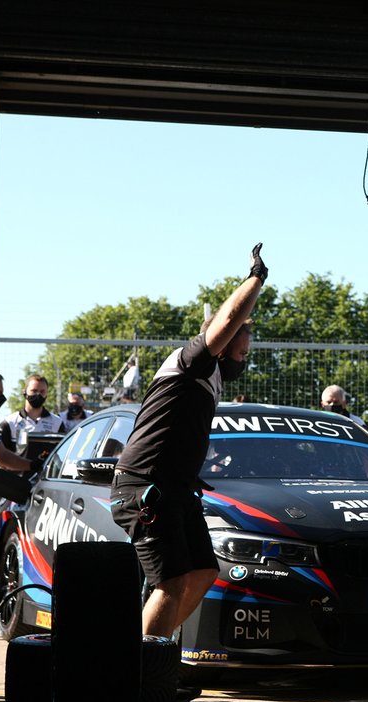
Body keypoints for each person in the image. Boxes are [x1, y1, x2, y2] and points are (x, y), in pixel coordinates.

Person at [110, 242, 268, 655]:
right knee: (172, 581)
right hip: (145, 486)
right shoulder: (191, 360)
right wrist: (255, 279)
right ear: (222, 343)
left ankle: (151, 651)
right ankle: (144, 671)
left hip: (178, 489)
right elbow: (229, 318)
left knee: (201, 572)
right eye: (241, 351)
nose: (243, 360)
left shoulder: (210, 379)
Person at [0, 370, 44, 607]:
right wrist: (27, 465)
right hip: (4, 488)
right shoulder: (4, 421)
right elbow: (2, 457)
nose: (0, 398)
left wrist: (33, 465)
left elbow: (0, 453)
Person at [0, 373, 64, 455]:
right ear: (24, 392)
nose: (38, 394)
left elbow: (62, 453)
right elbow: (2, 455)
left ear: (47, 394)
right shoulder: (10, 422)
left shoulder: (57, 422)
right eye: (34, 391)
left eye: (42, 391)